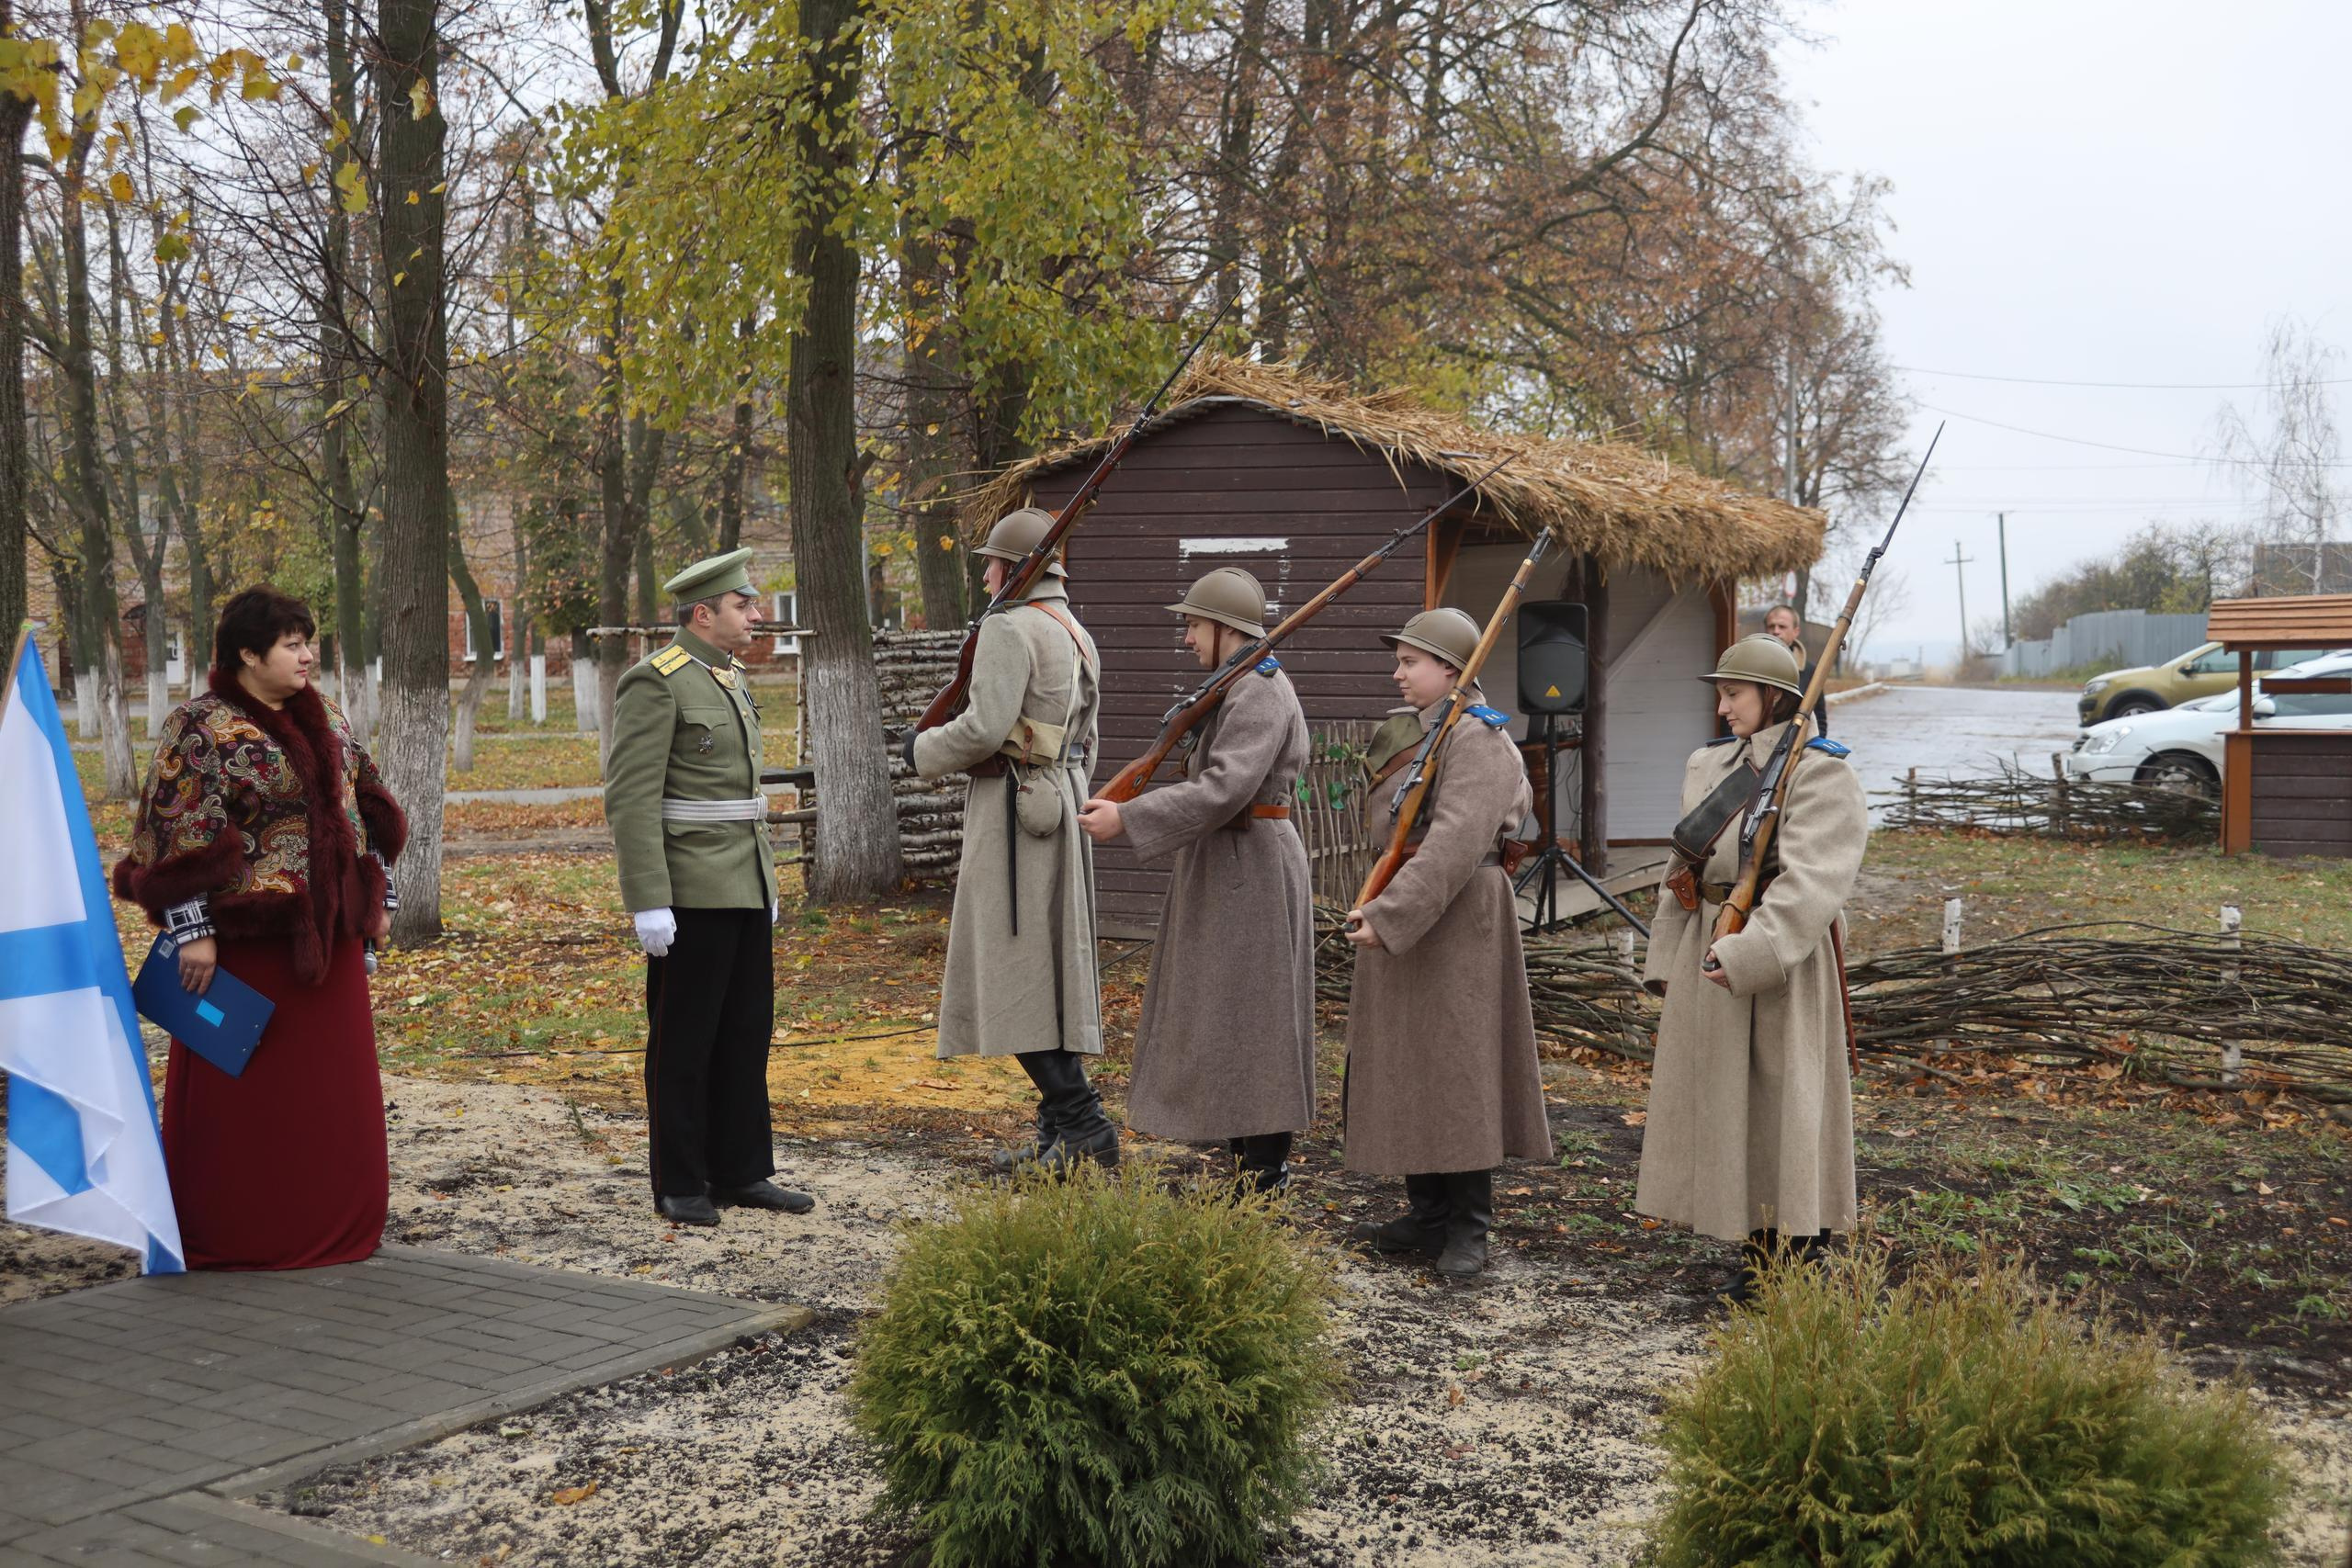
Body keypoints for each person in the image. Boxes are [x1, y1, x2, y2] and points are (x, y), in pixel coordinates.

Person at [111, 587, 404, 1270]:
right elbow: (172, 834)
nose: (307, 656)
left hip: (331, 945)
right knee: (246, 1100)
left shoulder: (327, 715)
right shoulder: (200, 727)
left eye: (309, 642)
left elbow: (363, 805)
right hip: (246, 953)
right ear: (247, 653)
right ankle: (239, 1229)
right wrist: (192, 928)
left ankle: (334, 1222)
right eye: (291, 644)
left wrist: (379, 894)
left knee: (327, 1096)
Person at [1634, 633, 1867, 1304]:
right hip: (1711, 943)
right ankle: (1757, 1255)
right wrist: (1668, 957)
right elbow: (1684, 868)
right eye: (1721, 694)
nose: (1723, 707)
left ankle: (1797, 1261)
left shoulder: (1820, 773)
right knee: (1733, 1108)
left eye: (1734, 694)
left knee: (1785, 1106)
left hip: (1782, 960)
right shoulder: (1710, 764)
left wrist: (1749, 953)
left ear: (1774, 697)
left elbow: (1813, 882)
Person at [1075, 568, 1314, 1196]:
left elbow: (1226, 787)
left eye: (1193, 624)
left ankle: (1263, 1179)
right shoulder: (1237, 685)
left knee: (1258, 1022)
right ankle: (1246, 1172)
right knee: (1229, 1017)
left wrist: (1129, 817)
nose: (1186, 637)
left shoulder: (1260, 689)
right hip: (1230, 862)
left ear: (1223, 627)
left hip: (1251, 867)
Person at [605, 547, 813, 1228]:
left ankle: (741, 1169)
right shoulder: (656, 681)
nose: (756, 614)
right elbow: (631, 797)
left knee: (745, 1034)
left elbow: (741, 793)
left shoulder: (728, 676)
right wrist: (647, 897)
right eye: (743, 604)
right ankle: (680, 1180)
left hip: (744, 880)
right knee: (685, 1042)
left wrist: (765, 879)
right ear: (703, 613)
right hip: (690, 888)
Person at [1340, 607, 1553, 1277]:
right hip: (1412, 904)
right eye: (1399, 661)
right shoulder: (1425, 731)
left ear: (1452, 669)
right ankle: (1428, 1214)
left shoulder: (1478, 737)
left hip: (1458, 916)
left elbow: (1457, 842)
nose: (1397, 673)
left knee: (1461, 1069)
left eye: (1410, 662)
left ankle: (1468, 1226)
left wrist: (1390, 913)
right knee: (1411, 1061)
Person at [904, 506, 1114, 1171]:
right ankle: (1060, 1135)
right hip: (1059, 800)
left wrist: (921, 749)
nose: (986, 576)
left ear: (1016, 569)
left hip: (1015, 812)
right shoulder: (1075, 630)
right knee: (1046, 976)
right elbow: (1088, 740)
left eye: (992, 563)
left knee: (1014, 970)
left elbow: (983, 728)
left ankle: (1083, 1127)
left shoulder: (1009, 626)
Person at [1760, 604, 1827, 737]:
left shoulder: (1810, 671)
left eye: (1782, 626)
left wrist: (1814, 746)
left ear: (1796, 632)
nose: (1776, 631)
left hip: (1795, 744)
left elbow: (1819, 717)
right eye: (1771, 626)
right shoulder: (1750, 665)